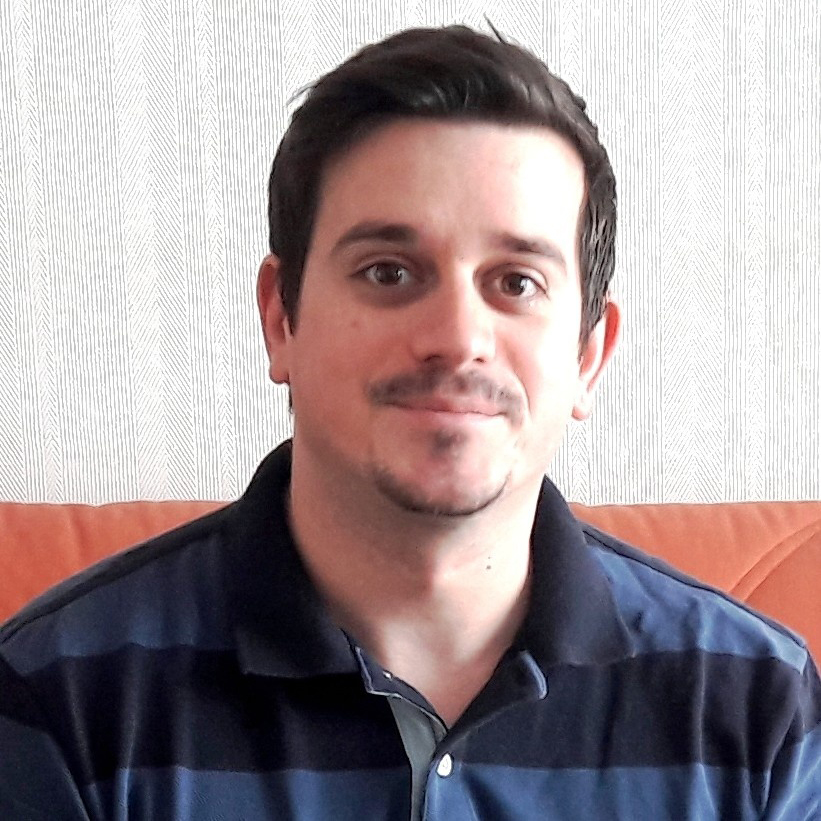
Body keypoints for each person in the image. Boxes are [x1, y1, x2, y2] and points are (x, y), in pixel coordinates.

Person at [1, 25, 818, 820]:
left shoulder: (760, 708)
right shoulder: (58, 696)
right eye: (388, 271)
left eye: (516, 282)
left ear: (588, 355)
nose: (456, 337)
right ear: (281, 320)